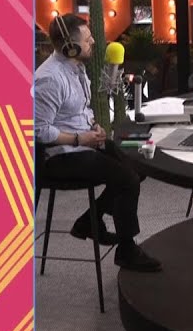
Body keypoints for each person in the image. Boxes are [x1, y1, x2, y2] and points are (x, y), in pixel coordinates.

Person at [33, 14, 162, 272]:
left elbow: (80, 109)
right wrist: (79, 138)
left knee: (138, 163)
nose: (93, 42)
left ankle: (89, 220)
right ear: (70, 46)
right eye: (87, 39)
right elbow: (38, 131)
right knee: (127, 179)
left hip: (83, 142)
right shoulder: (50, 79)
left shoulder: (76, 67)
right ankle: (126, 250)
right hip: (59, 155)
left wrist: (93, 126)